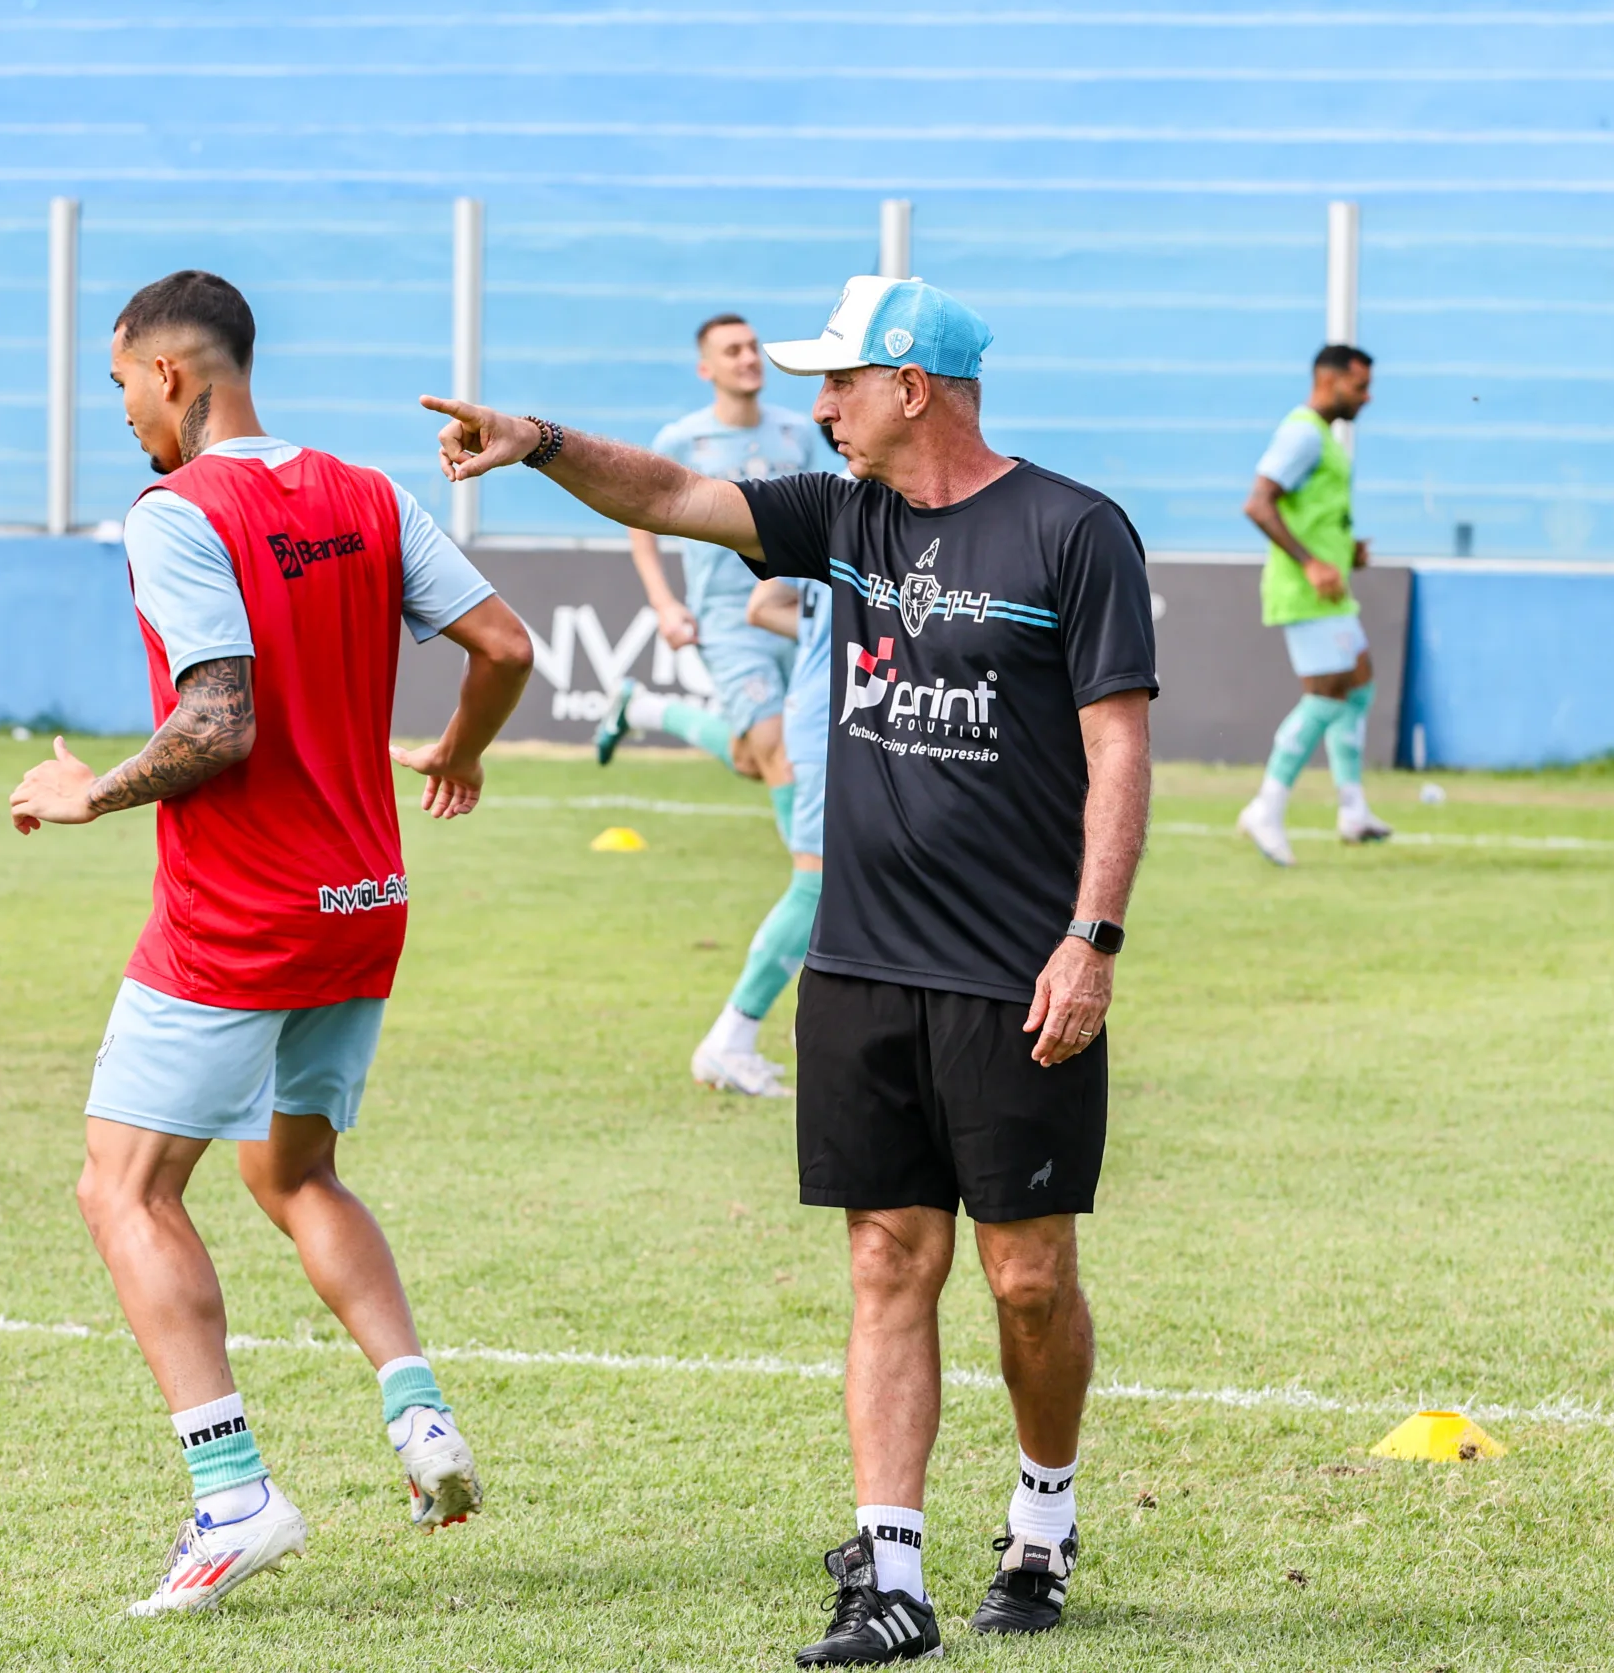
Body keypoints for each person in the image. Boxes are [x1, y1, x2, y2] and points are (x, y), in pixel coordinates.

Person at [422, 273, 1157, 1666]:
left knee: (1027, 1279)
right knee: (889, 1255)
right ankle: (889, 1570)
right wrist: (541, 438)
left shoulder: (1074, 531)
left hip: (1018, 973)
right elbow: (665, 497)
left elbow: (1120, 747)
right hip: (863, 963)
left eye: (839, 381)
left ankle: (1044, 1516)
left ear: (913, 387)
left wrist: (1092, 935)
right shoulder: (840, 513)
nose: (814, 406)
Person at [10, 271, 535, 1616]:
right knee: (294, 1171)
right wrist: (462, 752)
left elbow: (218, 721)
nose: (123, 412)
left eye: (121, 385)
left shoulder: (178, 512)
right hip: (363, 901)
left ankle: (233, 1492)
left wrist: (89, 792)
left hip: (239, 913)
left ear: (172, 374)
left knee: (122, 1188)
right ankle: (419, 1417)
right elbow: (504, 642)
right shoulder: (366, 492)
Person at [594, 314, 831, 849]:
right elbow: (639, 516)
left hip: (795, 613)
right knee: (776, 750)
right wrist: (663, 603)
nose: (748, 358)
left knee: (757, 757)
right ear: (706, 368)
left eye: (752, 347)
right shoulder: (682, 439)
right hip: (726, 617)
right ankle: (813, 884)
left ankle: (644, 709)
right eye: (732, 351)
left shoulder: (798, 431)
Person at [1234, 343, 1390, 866]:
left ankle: (1353, 810)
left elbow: (1313, 512)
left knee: (1359, 684)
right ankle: (1267, 806)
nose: (1367, 398)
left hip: (1331, 590)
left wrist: (1344, 553)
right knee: (1327, 694)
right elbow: (1259, 503)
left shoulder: (1323, 436)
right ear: (1330, 380)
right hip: (1308, 591)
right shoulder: (1302, 432)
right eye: (1360, 386)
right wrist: (1310, 563)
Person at [688, 570, 835, 1098]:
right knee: (816, 883)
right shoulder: (862, 507)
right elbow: (759, 608)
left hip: (838, 714)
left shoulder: (842, 505)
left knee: (854, 881)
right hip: (831, 720)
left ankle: (827, 1029)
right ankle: (731, 1038)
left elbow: (765, 607)